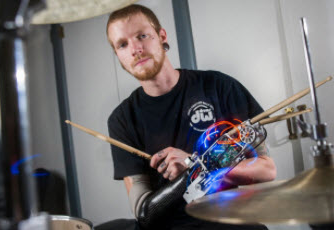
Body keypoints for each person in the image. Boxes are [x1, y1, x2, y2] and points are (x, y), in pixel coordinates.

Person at [105, 4, 276, 230]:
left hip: (225, 221)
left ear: (161, 35)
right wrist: (188, 177)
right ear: (118, 55)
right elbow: (143, 211)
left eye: (142, 36)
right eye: (123, 44)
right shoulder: (122, 119)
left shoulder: (219, 87)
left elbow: (266, 169)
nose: (135, 49)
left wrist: (195, 165)